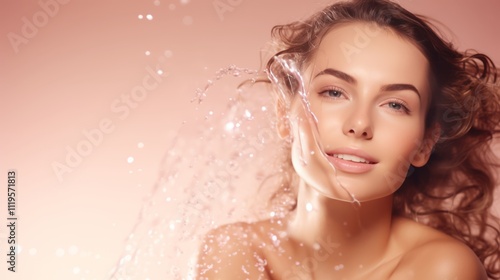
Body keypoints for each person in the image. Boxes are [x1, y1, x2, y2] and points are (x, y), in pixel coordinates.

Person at [195, 0, 500, 279]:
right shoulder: (236, 250)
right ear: (283, 114)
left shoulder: (441, 268)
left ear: (425, 143)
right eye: (334, 92)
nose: (359, 124)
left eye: (395, 104)